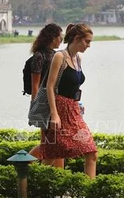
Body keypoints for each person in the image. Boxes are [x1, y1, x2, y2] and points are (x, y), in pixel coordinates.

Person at [40, 23, 98, 179]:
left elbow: (73, 85)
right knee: (52, 154)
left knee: (90, 151)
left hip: (73, 109)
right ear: (77, 39)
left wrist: (77, 103)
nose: (89, 45)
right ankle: (33, 186)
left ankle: (89, 191)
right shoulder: (60, 56)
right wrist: (54, 114)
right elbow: (50, 87)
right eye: (87, 41)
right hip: (59, 108)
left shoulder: (78, 58)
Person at [27, 23, 64, 167]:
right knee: (47, 142)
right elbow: (35, 84)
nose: (60, 40)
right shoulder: (39, 56)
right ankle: (24, 163)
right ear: (52, 38)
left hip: (58, 102)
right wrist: (35, 106)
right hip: (44, 103)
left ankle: (59, 176)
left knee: (57, 141)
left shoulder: (57, 55)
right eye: (59, 37)